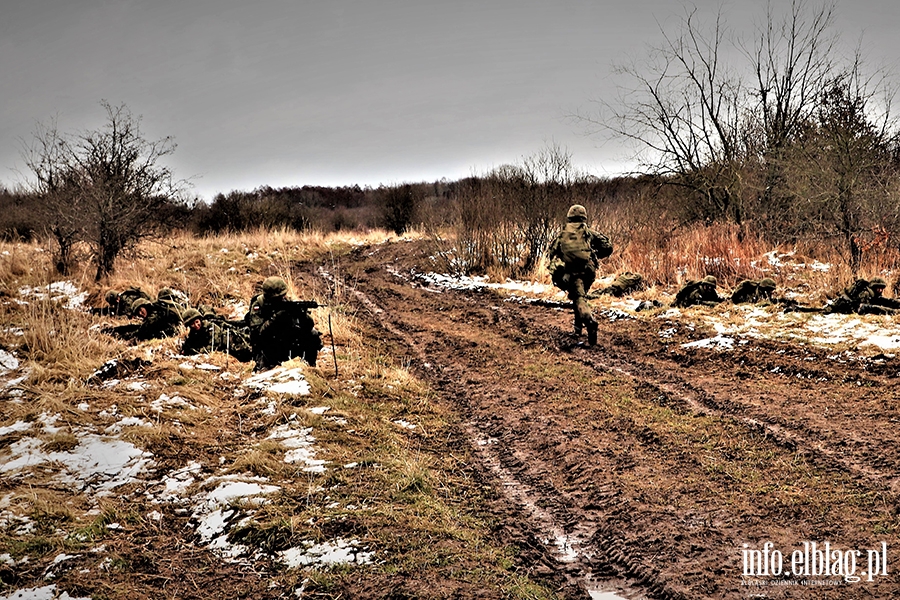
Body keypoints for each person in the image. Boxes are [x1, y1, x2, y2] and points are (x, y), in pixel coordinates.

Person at [547, 204, 613, 346]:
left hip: (571, 272)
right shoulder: (589, 232)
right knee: (579, 296)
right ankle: (578, 329)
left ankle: (589, 321)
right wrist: (594, 254)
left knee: (578, 298)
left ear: (569, 217)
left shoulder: (563, 234)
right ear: (584, 217)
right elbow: (608, 246)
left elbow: (551, 253)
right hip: (588, 271)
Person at [244, 276, 323, 369]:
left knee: (312, 334)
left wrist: (302, 315)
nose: (283, 297)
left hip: (286, 341)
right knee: (266, 371)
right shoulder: (258, 306)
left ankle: (310, 367)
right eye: (280, 296)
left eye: (283, 295)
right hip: (267, 346)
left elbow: (308, 326)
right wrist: (277, 317)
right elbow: (258, 333)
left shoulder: (286, 302)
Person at [181, 308, 253, 362]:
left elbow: (213, 347)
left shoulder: (211, 327)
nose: (196, 325)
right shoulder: (193, 333)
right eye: (193, 324)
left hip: (237, 346)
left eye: (197, 322)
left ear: (200, 319)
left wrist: (195, 351)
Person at [824, 277, 899, 315]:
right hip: (855, 308)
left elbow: (885, 301)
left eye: (881, 288)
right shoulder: (866, 293)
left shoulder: (873, 294)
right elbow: (865, 307)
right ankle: (896, 312)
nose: (880, 291)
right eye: (878, 288)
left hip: (858, 307)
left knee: (886, 301)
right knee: (875, 308)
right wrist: (893, 311)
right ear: (873, 287)